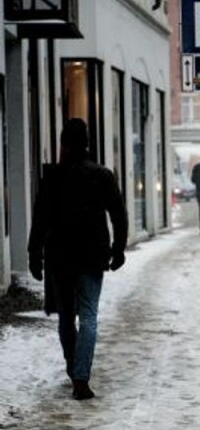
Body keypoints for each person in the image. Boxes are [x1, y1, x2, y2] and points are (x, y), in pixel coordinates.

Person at [27, 118, 129, 400]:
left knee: (66, 318)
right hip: (92, 256)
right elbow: (119, 216)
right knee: (89, 316)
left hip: (60, 257)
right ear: (87, 143)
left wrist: (34, 254)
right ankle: (81, 377)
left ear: (63, 144)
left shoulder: (53, 178)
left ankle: (74, 367)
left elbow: (40, 219)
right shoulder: (102, 175)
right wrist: (118, 249)